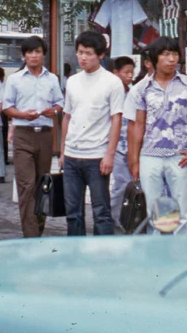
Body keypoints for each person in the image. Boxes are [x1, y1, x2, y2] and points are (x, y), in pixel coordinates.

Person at [127, 37, 187, 235]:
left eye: (174, 54)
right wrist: (135, 160)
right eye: (166, 54)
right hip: (150, 156)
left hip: (179, 156)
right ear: (155, 59)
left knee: (183, 211)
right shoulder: (142, 87)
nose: (171, 59)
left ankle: (183, 257)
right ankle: (159, 258)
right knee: (156, 213)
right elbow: (138, 125)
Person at [61, 31, 125, 236]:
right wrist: (62, 152)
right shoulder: (72, 81)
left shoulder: (112, 82)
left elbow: (117, 119)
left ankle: (102, 257)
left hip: (97, 157)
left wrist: (109, 155)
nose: (83, 57)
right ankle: (76, 254)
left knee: (101, 212)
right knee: (72, 212)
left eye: (88, 53)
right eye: (80, 52)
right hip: (72, 156)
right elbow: (67, 117)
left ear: (100, 55)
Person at [2, 35, 64, 238]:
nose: (34, 56)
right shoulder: (14, 79)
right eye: (30, 52)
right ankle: (30, 235)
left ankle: (38, 230)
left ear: (44, 54)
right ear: (24, 56)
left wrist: (52, 111)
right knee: (26, 185)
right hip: (23, 135)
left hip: (45, 136)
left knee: (42, 184)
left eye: (37, 52)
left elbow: (60, 104)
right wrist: (22, 115)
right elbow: (7, 107)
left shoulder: (52, 78)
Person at [108, 55, 137, 228]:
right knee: (121, 185)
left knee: (132, 184)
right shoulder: (110, 92)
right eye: (126, 72)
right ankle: (115, 218)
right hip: (117, 147)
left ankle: (129, 218)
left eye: (132, 72)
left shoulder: (134, 92)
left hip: (133, 146)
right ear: (115, 73)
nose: (130, 76)